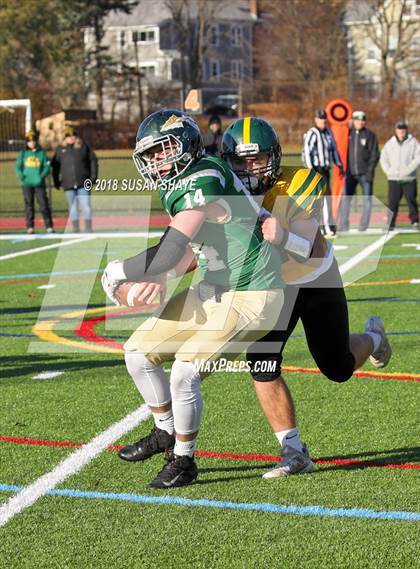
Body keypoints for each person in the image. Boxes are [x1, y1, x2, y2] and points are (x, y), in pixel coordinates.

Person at [101, 109, 285, 489]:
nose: (154, 161)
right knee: (137, 352)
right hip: (215, 288)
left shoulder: (204, 176)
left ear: (184, 145)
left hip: (254, 291)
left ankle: (184, 460)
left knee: (185, 370)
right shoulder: (182, 181)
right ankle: (165, 432)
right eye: (149, 154)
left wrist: (118, 270)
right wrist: (161, 278)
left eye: (161, 150)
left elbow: (170, 250)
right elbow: (190, 250)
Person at [221, 117, 392, 478]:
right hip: (271, 286)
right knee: (262, 364)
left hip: (315, 279)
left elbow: (310, 251)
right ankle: (294, 452)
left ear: (275, 156)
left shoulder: (301, 181)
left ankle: (375, 337)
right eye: (240, 160)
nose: (249, 167)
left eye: (257, 158)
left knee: (338, 367)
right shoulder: (225, 189)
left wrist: (278, 235)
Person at [302, 109, 344, 236]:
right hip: (316, 169)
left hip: (325, 170)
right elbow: (306, 152)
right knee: (316, 200)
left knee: (327, 199)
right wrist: (311, 169)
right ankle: (320, 227)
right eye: (320, 118)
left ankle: (327, 226)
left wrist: (339, 164)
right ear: (316, 119)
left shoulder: (328, 132)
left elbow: (334, 149)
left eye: (324, 118)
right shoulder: (312, 133)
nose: (323, 120)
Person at [338, 111, 380, 232]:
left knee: (367, 199)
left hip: (365, 173)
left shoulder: (370, 135)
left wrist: (370, 170)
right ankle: (343, 225)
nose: (360, 122)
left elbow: (375, 154)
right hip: (350, 174)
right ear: (353, 121)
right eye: (357, 120)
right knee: (346, 198)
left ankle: (363, 225)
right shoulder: (348, 134)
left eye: (362, 120)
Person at [51, 126, 97, 233]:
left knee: (86, 207)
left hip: (83, 183)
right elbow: (55, 167)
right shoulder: (60, 150)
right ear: (65, 137)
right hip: (68, 184)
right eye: (68, 135)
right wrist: (56, 181)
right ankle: (75, 228)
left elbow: (93, 161)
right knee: (72, 208)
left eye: (73, 135)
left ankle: (88, 228)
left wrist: (93, 177)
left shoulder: (83, 147)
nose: (71, 137)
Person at [380, 121, 420, 231]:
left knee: (411, 201)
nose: (401, 131)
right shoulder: (390, 144)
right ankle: (390, 223)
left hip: (409, 178)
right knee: (392, 202)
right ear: (396, 130)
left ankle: (415, 221)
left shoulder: (413, 143)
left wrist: (408, 170)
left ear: (406, 130)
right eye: (399, 129)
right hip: (394, 178)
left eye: (403, 129)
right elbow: (383, 159)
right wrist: (389, 171)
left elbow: (417, 158)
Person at [15, 130, 54, 234]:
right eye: (29, 141)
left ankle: (49, 226)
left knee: (43, 204)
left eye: (33, 140)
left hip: (39, 184)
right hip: (27, 184)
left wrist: (41, 176)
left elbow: (47, 167)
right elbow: (18, 167)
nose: (31, 143)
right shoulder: (23, 154)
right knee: (29, 205)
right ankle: (30, 227)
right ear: (26, 142)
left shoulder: (41, 153)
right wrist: (22, 176)